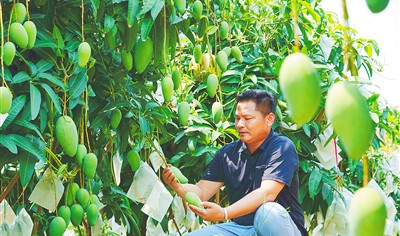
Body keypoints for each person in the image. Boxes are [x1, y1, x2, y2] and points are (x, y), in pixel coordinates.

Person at [162, 89, 307, 236]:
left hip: (277, 228)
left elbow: (266, 194)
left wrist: (224, 213)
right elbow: (202, 192)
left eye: (247, 118)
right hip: (242, 229)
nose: (240, 124)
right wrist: (177, 186)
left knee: (267, 211)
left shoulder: (282, 147)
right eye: (237, 118)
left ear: (269, 119)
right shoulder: (227, 154)